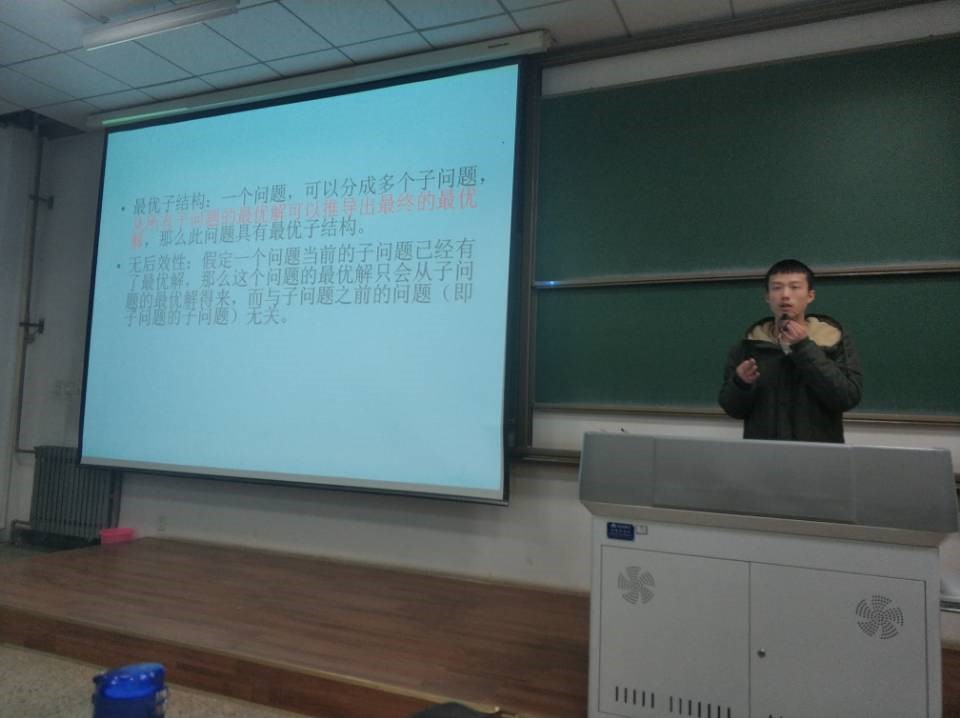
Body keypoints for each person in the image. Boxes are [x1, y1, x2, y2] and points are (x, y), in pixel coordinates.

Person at [718, 259, 862, 443]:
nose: (785, 295)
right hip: (765, 453)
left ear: (810, 295)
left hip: (819, 453)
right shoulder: (749, 345)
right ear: (767, 296)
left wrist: (804, 347)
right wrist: (740, 383)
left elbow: (847, 398)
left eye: (795, 287)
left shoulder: (832, 340)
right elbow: (733, 410)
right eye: (777, 288)